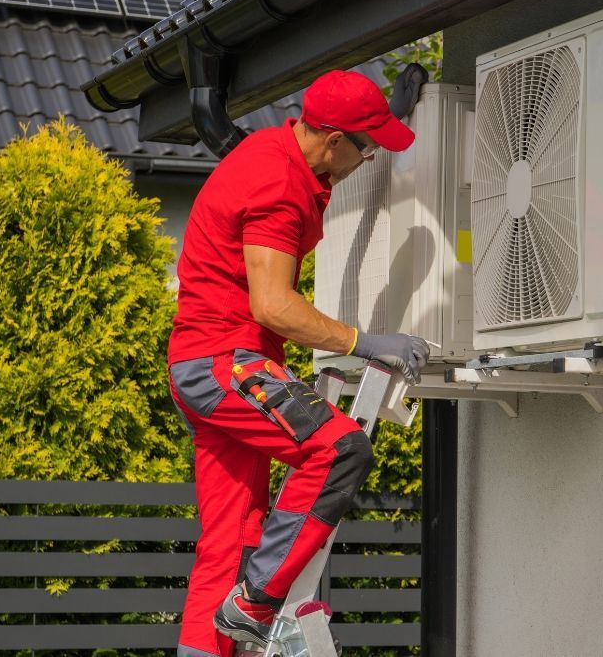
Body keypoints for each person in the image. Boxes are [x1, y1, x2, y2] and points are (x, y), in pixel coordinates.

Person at [167, 70, 431, 657]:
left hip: (201, 363)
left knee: (230, 544)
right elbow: (274, 305)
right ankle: (254, 604)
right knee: (340, 449)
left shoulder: (277, 150)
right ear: (333, 139)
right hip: (224, 363)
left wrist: (390, 116)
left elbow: (346, 133)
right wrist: (365, 342)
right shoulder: (278, 185)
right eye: (366, 147)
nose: (368, 159)